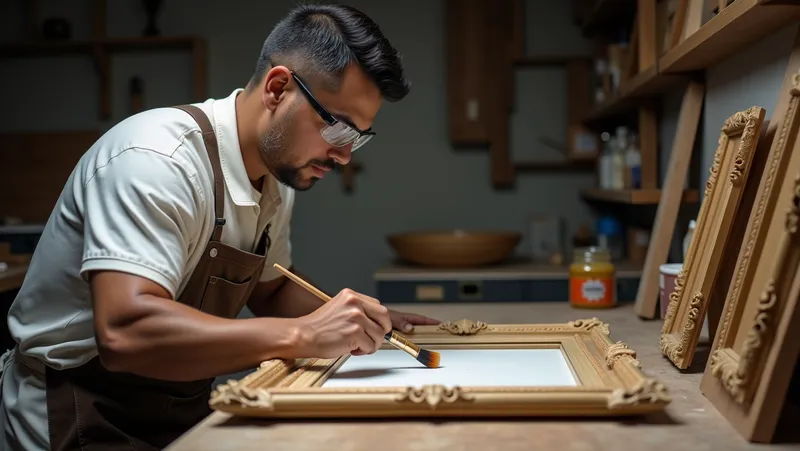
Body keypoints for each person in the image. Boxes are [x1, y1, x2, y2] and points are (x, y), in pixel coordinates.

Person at [0, 4, 440, 450]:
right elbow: (126, 331)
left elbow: (270, 288)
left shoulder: (275, 176)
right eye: (338, 129)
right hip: (74, 410)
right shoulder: (156, 160)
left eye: (358, 137)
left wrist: (365, 322)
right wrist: (306, 334)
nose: (345, 156)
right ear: (278, 88)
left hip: (175, 410)